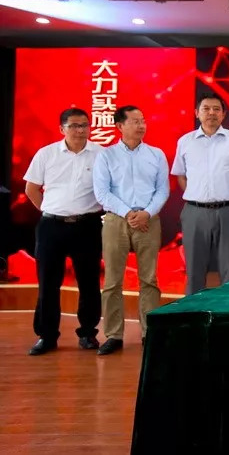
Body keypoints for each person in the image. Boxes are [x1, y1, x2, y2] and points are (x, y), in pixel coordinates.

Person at [23, 108, 103, 355]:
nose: (80, 130)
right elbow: (31, 189)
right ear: (62, 129)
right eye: (74, 126)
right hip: (52, 226)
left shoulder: (102, 154)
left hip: (88, 225)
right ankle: (46, 336)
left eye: (84, 125)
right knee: (48, 283)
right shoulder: (46, 154)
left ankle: (88, 333)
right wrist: (51, 210)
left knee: (89, 282)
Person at [92, 105, 169, 354]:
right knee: (112, 281)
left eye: (143, 120)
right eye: (135, 121)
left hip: (149, 219)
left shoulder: (156, 154)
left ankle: (150, 333)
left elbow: (163, 190)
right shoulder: (106, 156)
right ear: (120, 126)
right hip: (116, 220)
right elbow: (102, 193)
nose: (141, 125)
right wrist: (128, 214)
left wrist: (146, 213)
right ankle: (113, 335)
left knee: (149, 279)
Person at [171, 93, 229, 294]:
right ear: (197, 113)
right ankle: (193, 310)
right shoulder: (185, 141)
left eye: (216, 109)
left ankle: (228, 310)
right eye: (206, 109)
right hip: (195, 212)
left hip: (228, 211)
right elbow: (181, 176)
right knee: (194, 269)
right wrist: (198, 196)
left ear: (224, 114)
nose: (211, 113)